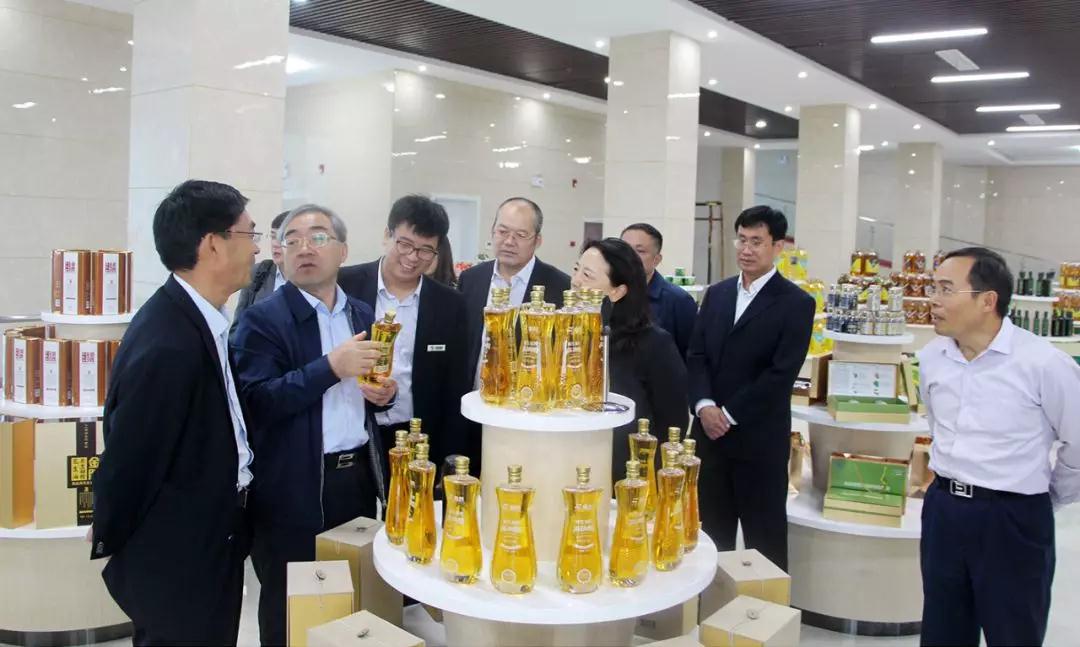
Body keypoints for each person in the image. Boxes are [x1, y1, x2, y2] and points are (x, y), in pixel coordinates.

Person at [91, 180, 260, 645]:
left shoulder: (198, 319)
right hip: (179, 558)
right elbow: (131, 460)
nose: (257, 249)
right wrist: (114, 534)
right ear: (212, 245)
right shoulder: (170, 342)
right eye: (249, 234)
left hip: (210, 540)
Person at [232, 204, 397, 646]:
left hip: (355, 479)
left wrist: (384, 394)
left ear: (342, 251)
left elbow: (366, 392)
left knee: (349, 598)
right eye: (293, 240)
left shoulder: (361, 314)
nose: (305, 248)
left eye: (319, 237)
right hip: (290, 486)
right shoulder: (261, 320)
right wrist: (330, 368)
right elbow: (256, 402)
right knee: (290, 606)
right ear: (281, 255)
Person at [917, 247, 1080, 646]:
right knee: (943, 631)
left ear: (987, 300)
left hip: (1012, 519)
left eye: (946, 289)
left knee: (1013, 632)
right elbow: (937, 426)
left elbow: (1078, 442)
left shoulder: (1042, 363)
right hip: (944, 511)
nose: (933, 300)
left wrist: (1045, 498)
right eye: (932, 288)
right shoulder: (933, 357)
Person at [686, 205, 814, 571]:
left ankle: (764, 605)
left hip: (758, 441)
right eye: (741, 240)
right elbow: (696, 355)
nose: (746, 249)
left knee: (764, 540)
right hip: (709, 439)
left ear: (778, 247)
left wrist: (727, 415)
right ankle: (710, 602)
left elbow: (780, 374)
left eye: (756, 241)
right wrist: (704, 406)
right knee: (708, 536)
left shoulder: (796, 304)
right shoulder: (717, 294)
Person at [338, 195, 470, 470]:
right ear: (387, 235)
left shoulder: (450, 304)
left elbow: (454, 386)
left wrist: (448, 460)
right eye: (405, 244)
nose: (412, 257)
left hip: (417, 440)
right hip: (352, 436)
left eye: (425, 250)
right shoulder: (343, 285)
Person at [458, 197, 570, 464]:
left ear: (537, 240)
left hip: (528, 419)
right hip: (474, 410)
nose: (509, 241)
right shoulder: (471, 279)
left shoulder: (559, 287)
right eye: (503, 231)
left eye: (521, 235)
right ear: (492, 232)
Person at [571, 238, 688, 484]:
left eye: (587, 275)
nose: (576, 281)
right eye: (576, 269)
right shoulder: (565, 335)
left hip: (628, 479)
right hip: (571, 466)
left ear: (617, 291)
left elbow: (671, 424)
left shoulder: (654, 344)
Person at [621, 223, 698, 357]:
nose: (629, 256)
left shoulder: (678, 301)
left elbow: (690, 354)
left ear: (656, 259)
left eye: (640, 251)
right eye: (624, 249)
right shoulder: (608, 294)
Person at [230, 209, 289, 338]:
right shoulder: (258, 272)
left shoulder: (312, 281)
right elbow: (237, 328)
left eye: (282, 237)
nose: (275, 244)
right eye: (273, 236)